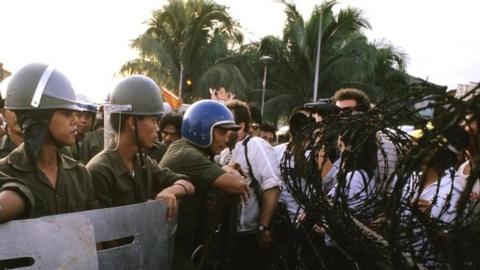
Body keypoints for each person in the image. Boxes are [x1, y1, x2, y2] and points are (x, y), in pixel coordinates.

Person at [86, 75, 194, 219]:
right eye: (153, 121)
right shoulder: (100, 170)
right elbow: (104, 232)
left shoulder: (143, 163)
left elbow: (187, 183)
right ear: (132, 122)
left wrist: (171, 191)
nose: (157, 129)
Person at [160, 99, 249, 270]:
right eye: (221, 132)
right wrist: (230, 172)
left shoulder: (185, 148)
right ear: (203, 129)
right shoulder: (188, 154)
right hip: (173, 248)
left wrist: (225, 169)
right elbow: (237, 185)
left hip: (181, 242)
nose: (225, 140)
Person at [0, 63, 97, 217]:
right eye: (66, 113)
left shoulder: (81, 175)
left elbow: (92, 235)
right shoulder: (5, 172)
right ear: (40, 118)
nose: (75, 120)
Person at [223, 100, 282, 270]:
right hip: (228, 235)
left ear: (240, 127)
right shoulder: (226, 150)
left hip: (249, 236)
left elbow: (272, 186)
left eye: (227, 123)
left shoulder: (256, 146)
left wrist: (263, 228)